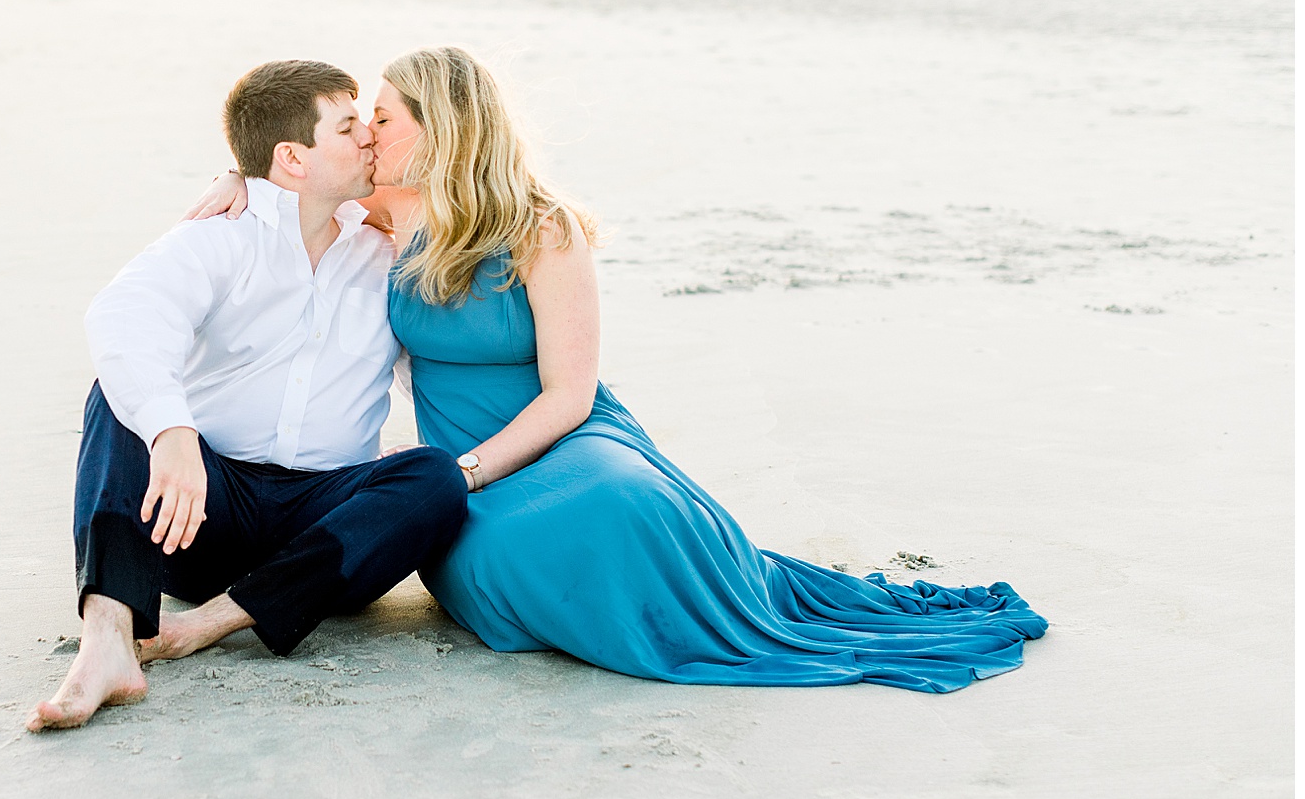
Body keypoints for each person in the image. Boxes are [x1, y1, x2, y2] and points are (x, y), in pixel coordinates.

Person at [185, 46, 1047, 693]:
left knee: (617, 499)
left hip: (562, 439)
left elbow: (571, 394)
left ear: (441, 126)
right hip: (456, 480)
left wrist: (471, 467)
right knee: (493, 560)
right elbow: (288, 175)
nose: (367, 133)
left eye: (384, 116)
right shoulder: (382, 211)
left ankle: (708, 602)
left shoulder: (541, 227)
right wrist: (236, 179)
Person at [27, 59, 469, 732]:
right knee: (117, 397)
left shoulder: (387, 250)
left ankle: (207, 624)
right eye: (348, 127)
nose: (369, 137)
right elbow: (126, 314)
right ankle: (108, 639)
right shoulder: (222, 234)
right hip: (200, 511)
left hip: (325, 536)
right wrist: (172, 432)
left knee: (434, 477)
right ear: (292, 157)